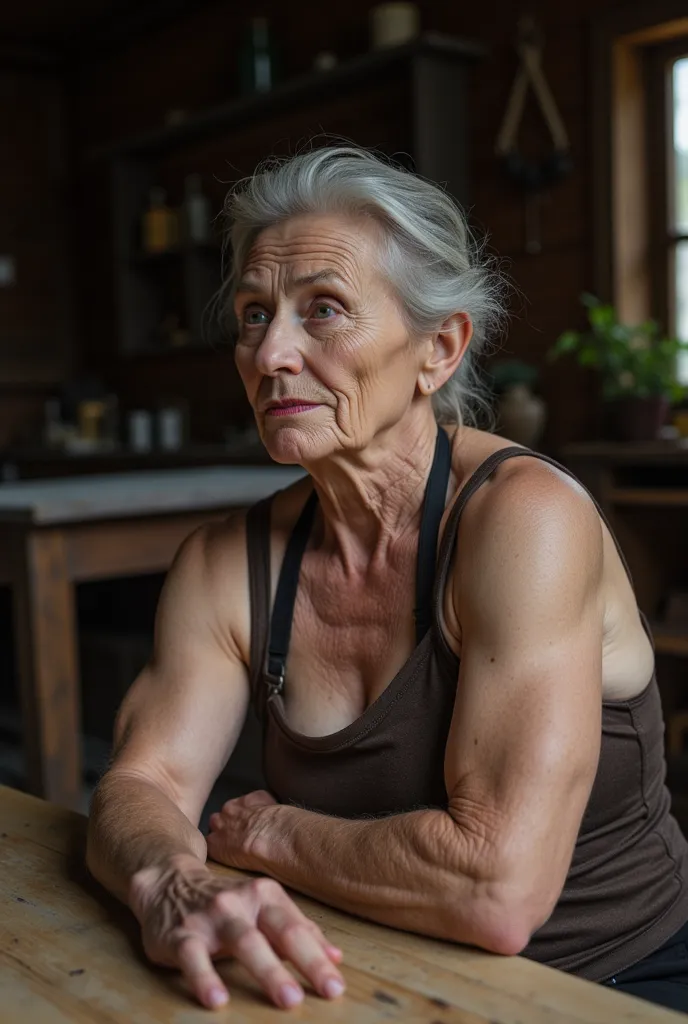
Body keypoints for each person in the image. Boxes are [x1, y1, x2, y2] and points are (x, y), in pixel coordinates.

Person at [87, 146, 688, 1014]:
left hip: (616, 980)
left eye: (323, 310)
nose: (271, 354)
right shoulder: (225, 563)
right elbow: (142, 788)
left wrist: (266, 831)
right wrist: (174, 883)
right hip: (367, 970)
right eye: (255, 315)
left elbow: (497, 890)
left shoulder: (523, 518)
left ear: (438, 350)